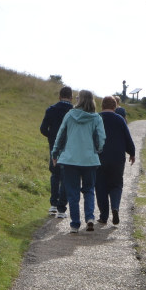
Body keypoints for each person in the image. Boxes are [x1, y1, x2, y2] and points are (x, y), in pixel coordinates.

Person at [51, 90, 105, 234]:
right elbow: (101, 138)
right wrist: (97, 150)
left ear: (79, 100)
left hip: (70, 159)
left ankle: (75, 224)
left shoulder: (69, 115)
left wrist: (55, 152)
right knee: (89, 190)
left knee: (73, 192)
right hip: (89, 160)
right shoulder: (96, 118)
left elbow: (61, 135)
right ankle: (90, 217)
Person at [96, 96, 135, 227]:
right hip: (118, 158)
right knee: (116, 184)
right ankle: (115, 208)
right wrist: (132, 153)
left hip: (99, 157)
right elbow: (127, 138)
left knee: (100, 185)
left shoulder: (97, 118)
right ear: (115, 107)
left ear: (102, 106)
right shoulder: (120, 119)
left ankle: (103, 216)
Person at [40, 85, 73, 217]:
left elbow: (43, 129)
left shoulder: (51, 110)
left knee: (55, 174)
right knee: (66, 176)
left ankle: (53, 204)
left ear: (59, 96)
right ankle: (61, 208)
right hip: (69, 147)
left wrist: (52, 137)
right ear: (71, 98)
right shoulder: (73, 111)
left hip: (54, 146)